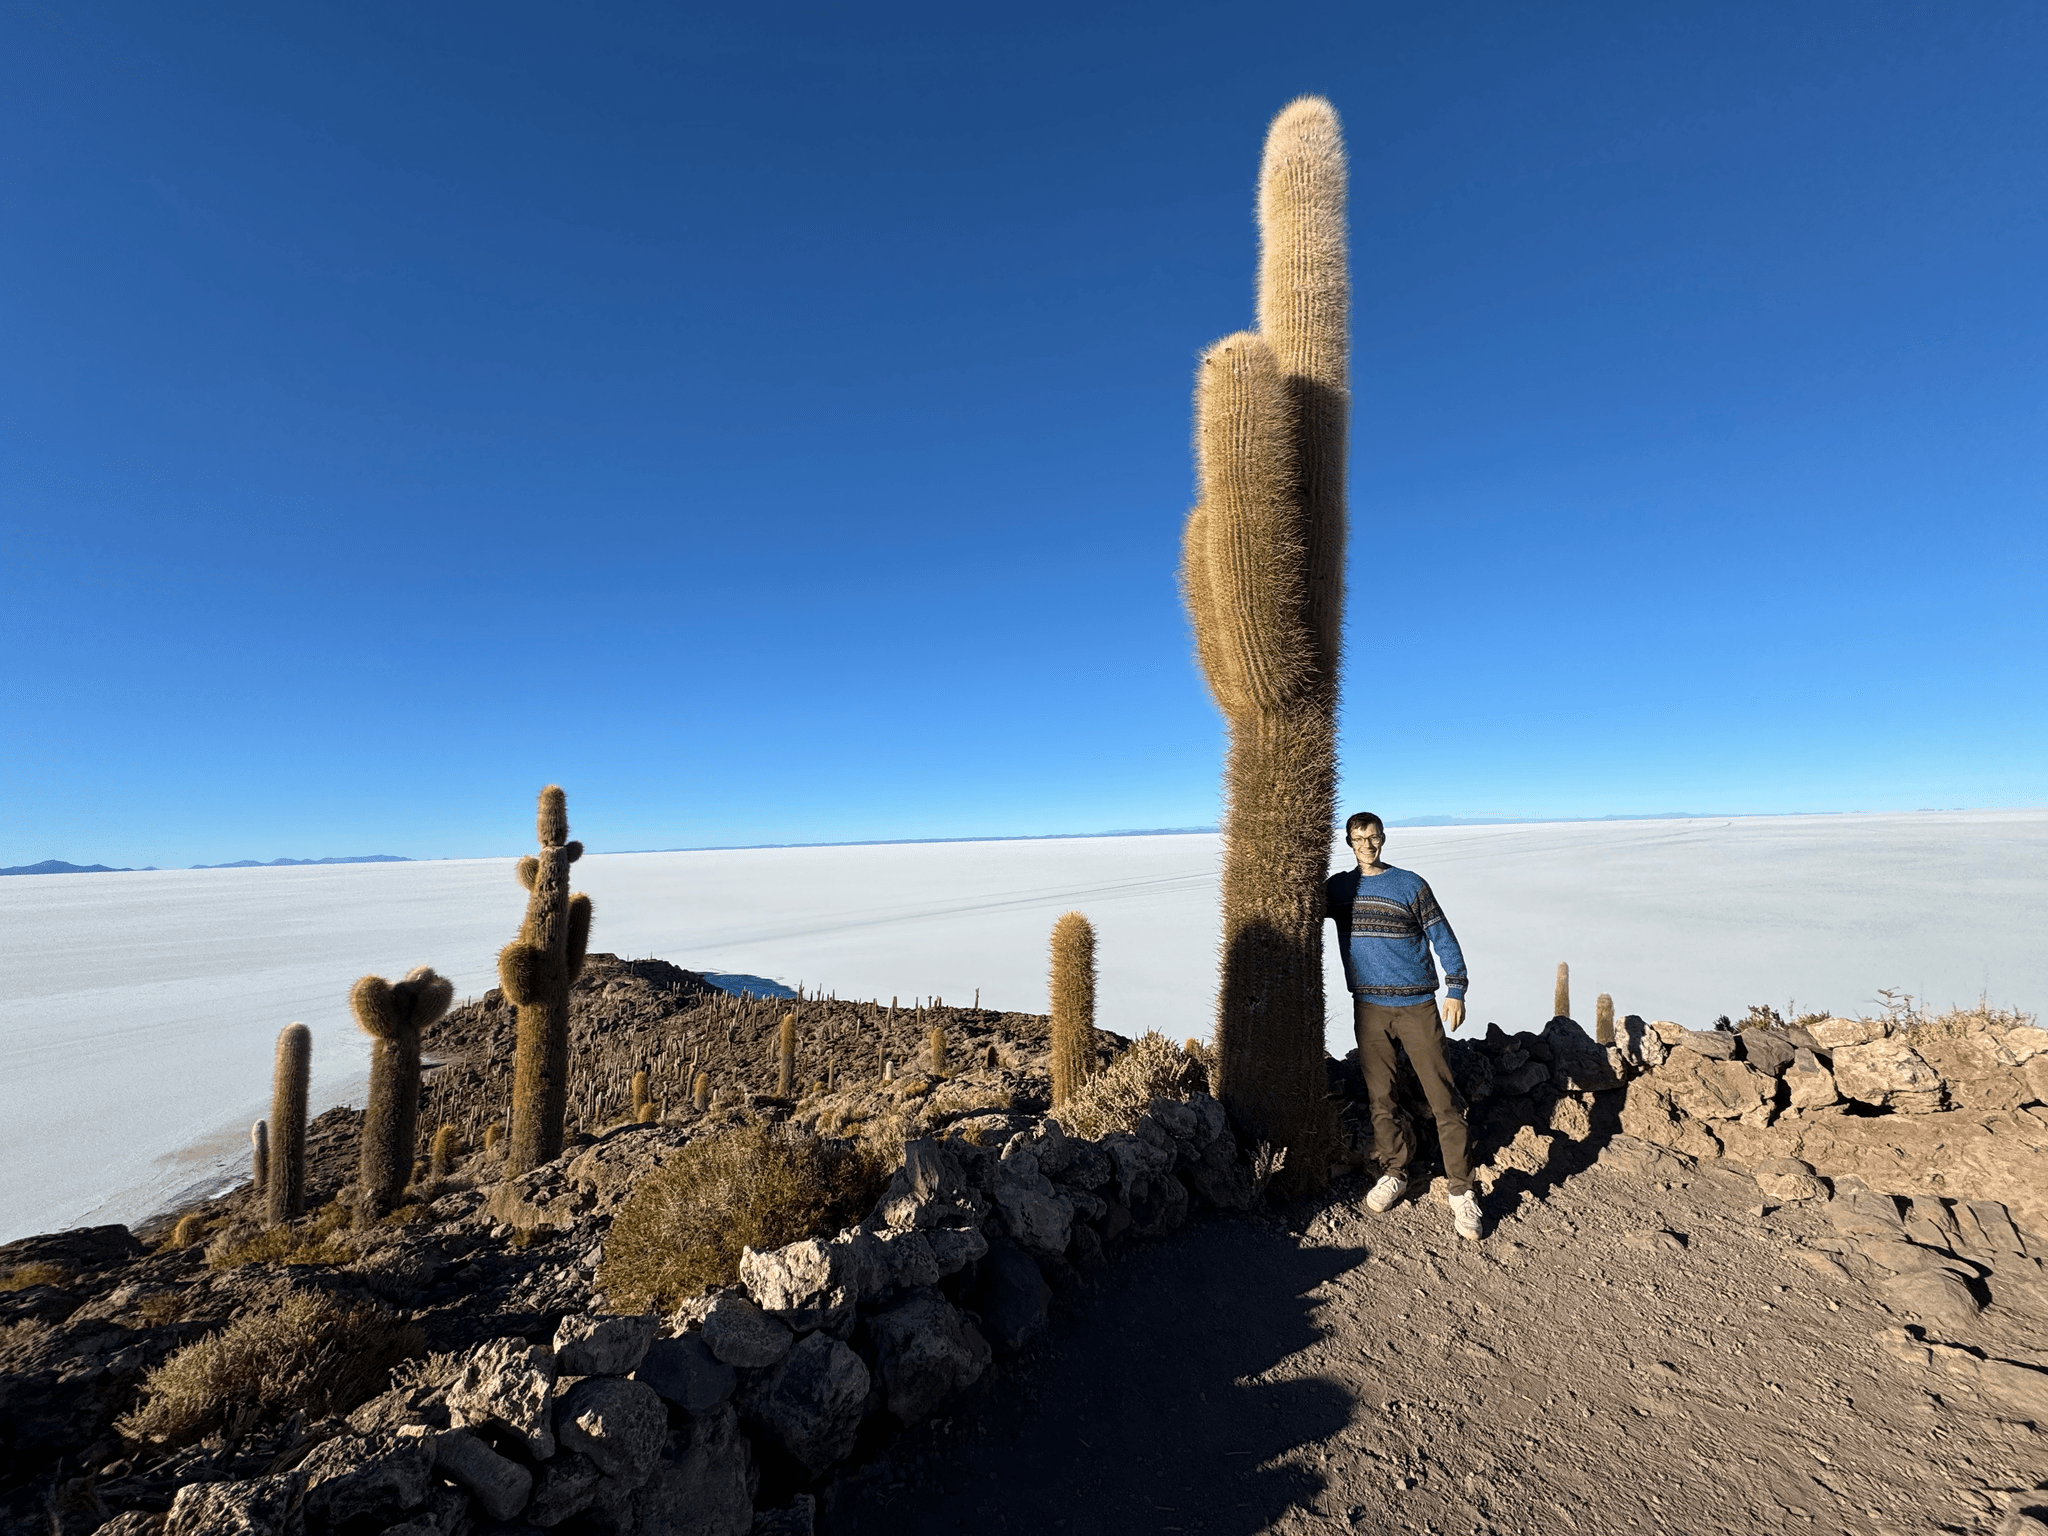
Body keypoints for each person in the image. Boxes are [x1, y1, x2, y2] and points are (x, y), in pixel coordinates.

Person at [1325, 811, 1483, 1241]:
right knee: (1381, 1097)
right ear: (1348, 842)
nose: (1368, 846)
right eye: (1359, 839)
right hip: (1369, 1007)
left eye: (1374, 838)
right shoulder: (1339, 889)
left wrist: (1456, 988)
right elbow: (1294, 907)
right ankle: (1395, 1171)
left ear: (1384, 839)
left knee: (1443, 1099)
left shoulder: (1411, 884)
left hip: (1417, 1006)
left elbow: (1443, 937)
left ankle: (1462, 1191)